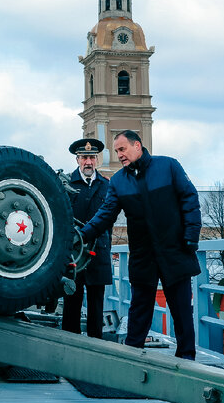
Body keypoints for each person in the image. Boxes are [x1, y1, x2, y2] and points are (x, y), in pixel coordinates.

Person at [79, 130, 202, 360]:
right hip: (143, 256)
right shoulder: (118, 182)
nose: (119, 155)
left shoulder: (168, 167)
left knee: (182, 310)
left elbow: (190, 199)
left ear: (137, 146)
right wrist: (81, 236)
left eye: (122, 149)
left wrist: (191, 237)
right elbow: (105, 215)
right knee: (139, 310)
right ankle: (132, 359)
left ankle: (187, 359)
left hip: (174, 251)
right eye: (116, 151)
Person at [62, 138, 113, 339]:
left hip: (98, 252)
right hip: (73, 254)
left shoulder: (106, 186)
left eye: (92, 157)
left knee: (96, 307)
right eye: (84, 158)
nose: (88, 162)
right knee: (71, 305)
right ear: (77, 160)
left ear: (97, 159)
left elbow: (110, 217)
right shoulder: (67, 184)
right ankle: (69, 349)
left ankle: (96, 350)